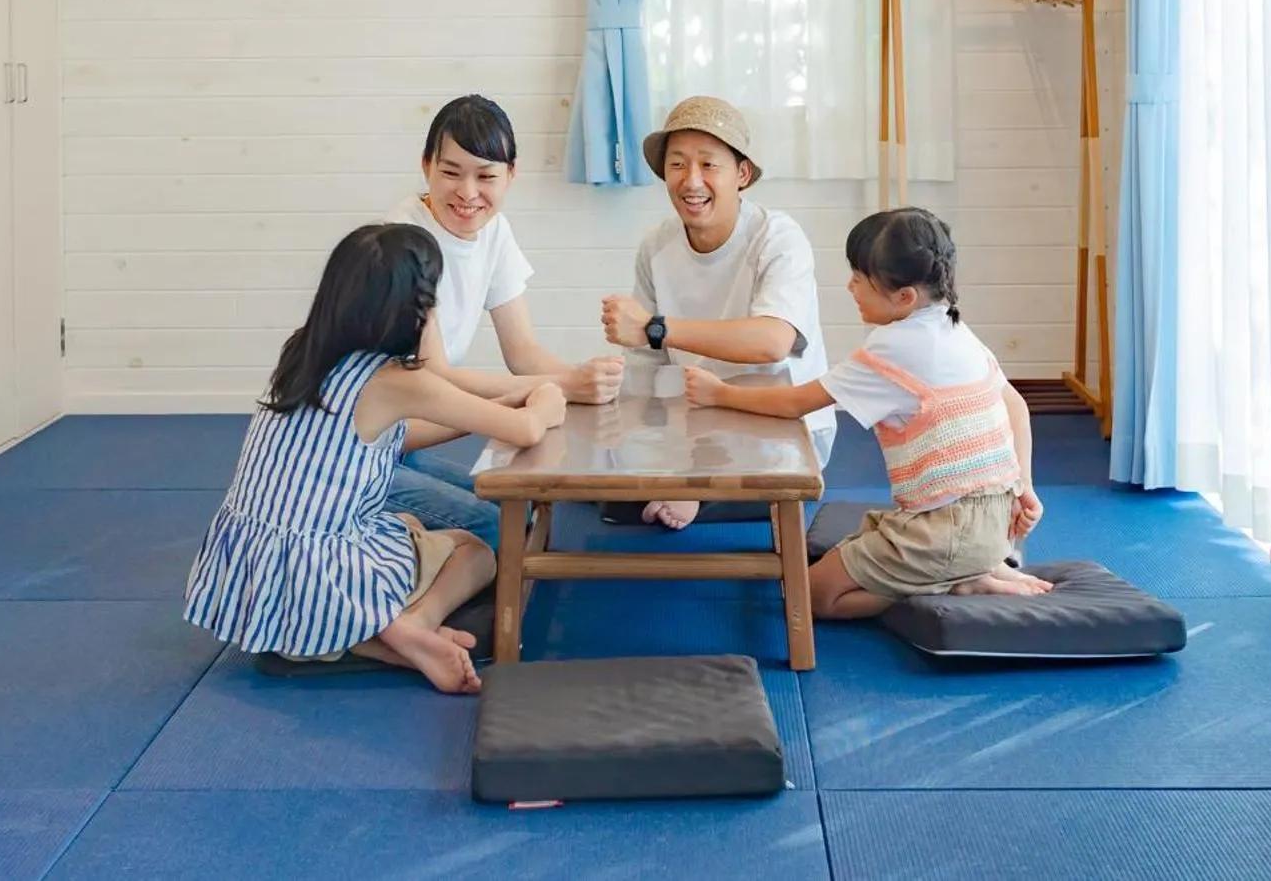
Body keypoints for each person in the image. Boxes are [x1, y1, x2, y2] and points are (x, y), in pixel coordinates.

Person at [182, 222, 567, 694]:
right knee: (476, 550)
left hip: (254, 572)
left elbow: (404, 433)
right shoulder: (397, 381)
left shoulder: (304, 350)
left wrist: (495, 409)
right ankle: (414, 628)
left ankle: (356, 635)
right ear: (416, 310)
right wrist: (547, 397)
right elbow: (528, 429)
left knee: (411, 525)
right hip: (322, 566)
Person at [681, 207, 1051, 620]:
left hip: (947, 530)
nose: (850, 286)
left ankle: (956, 581)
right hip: (997, 521)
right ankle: (966, 569)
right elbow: (1016, 405)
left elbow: (795, 403)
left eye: (860, 279)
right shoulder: (953, 326)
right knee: (856, 547)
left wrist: (720, 393)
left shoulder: (892, 348)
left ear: (904, 296)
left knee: (811, 597)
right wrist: (1025, 488)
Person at [380, 95, 623, 545]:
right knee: (496, 526)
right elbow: (434, 378)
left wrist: (589, 385)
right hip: (363, 447)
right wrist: (552, 392)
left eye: (486, 176)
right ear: (426, 165)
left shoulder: (493, 231)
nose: (468, 193)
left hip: (399, 442)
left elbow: (523, 351)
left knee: (515, 506)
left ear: (511, 175)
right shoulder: (405, 243)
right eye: (451, 173)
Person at [599, 96, 834, 530]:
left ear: (741, 175)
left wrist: (656, 328)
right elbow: (646, 360)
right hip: (693, 413)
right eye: (677, 165)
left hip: (776, 418)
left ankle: (701, 491)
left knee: (640, 501)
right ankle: (690, 484)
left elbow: (773, 341)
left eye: (709, 165)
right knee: (598, 486)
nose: (691, 181)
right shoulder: (656, 245)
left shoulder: (778, 237)